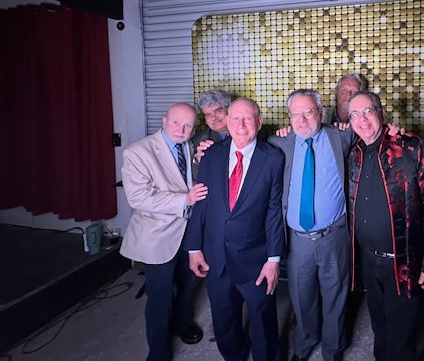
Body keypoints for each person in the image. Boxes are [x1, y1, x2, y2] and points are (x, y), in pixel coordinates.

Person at [346, 91, 424, 361]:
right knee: (380, 327)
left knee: (402, 335)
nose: (362, 119)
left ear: (380, 112)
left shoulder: (410, 147)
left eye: (367, 111)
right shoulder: (353, 152)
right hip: (368, 259)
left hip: (402, 261)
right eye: (354, 114)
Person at [185, 97, 286, 361]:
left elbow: (274, 211)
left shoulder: (273, 158)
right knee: (224, 321)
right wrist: (194, 248)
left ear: (259, 122)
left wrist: (274, 259)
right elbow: (201, 205)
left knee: (263, 320)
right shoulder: (212, 156)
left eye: (248, 118)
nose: (241, 125)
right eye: (235, 118)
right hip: (216, 257)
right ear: (227, 122)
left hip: (255, 259)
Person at [268, 89, 353, 361]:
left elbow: (375, 132)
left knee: (335, 298)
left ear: (320, 112)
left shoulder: (341, 136)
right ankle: (304, 346)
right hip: (298, 240)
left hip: (335, 237)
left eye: (308, 112)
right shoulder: (279, 142)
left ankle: (333, 350)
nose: (301, 119)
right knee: (301, 299)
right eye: (295, 113)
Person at [120, 102, 209, 361]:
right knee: (160, 297)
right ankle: (158, 352)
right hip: (157, 236)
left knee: (188, 283)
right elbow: (138, 198)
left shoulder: (190, 146)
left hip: (190, 233)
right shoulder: (138, 152)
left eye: (189, 125)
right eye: (176, 123)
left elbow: (187, 177)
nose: (182, 129)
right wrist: (184, 199)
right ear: (163, 120)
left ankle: (181, 322)